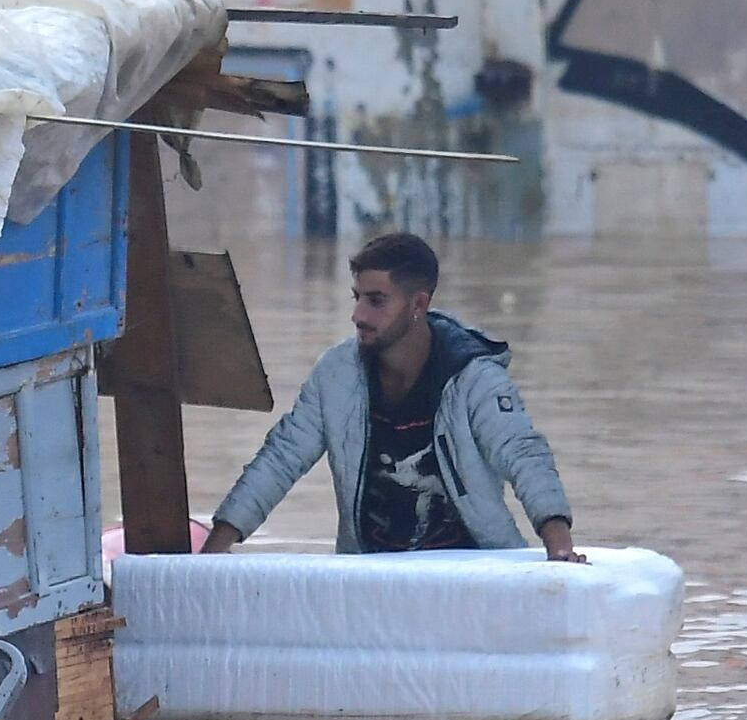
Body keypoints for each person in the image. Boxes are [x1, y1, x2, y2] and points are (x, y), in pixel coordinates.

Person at [201, 231, 581, 560]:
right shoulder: (336, 374)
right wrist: (215, 549)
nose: (358, 315)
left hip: (471, 568)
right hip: (372, 573)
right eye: (357, 298)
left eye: (376, 301)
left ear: (418, 304)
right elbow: (281, 459)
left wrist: (559, 545)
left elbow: (523, 454)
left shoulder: (474, 377)